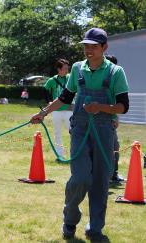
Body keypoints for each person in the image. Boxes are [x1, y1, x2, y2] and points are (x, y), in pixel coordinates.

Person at [31, 28, 129, 241]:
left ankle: (95, 229)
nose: (88, 50)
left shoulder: (116, 72)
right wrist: (43, 113)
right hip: (80, 130)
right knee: (81, 178)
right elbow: (65, 97)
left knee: (101, 183)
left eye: (93, 46)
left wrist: (101, 107)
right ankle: (70, 219)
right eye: (86, 46)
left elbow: (123, 106)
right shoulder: (77, 69)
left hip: (105, 132)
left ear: (104, 47)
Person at [43, 59, 72, 159]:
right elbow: (45, 90)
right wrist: (49, 101)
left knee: (73, 132)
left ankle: (74, 155)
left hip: (70, 110)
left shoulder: (71, 78)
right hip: (56, 110)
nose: (67, 70)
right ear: (58, 69)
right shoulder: (52, 80)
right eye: (64, 69)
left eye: (67, 68)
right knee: (57, 133)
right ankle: (59, 155)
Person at [105, 54, 125, 183]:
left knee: (115, 148)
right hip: (104, 121)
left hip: (110, 120)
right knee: (111, 149)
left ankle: (113, 174)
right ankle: (108, 175)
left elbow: (117, 103)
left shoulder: (114, 80)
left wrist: (115, 117)